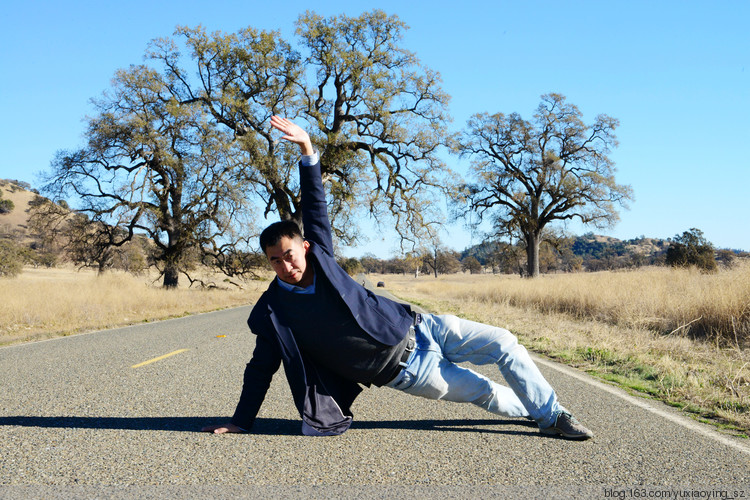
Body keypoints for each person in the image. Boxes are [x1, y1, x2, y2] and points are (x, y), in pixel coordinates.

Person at [202, 116, 594, 440]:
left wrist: (307, 151)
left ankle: (552, 416)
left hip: (425, 328)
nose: (286, 266)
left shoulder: (320, 257)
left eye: (289, 255)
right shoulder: (273, 311)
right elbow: (260, 369)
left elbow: (316, 206)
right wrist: (241, 421)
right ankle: (537, 410)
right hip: (408, 372)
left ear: (303, 247)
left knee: (505, 342)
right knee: (484, 392)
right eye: (275, 261)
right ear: (269, 264)